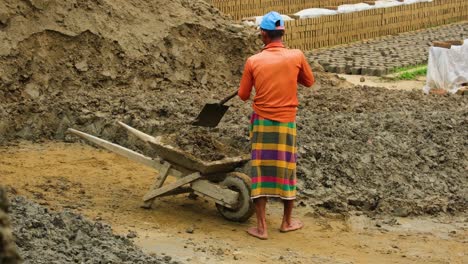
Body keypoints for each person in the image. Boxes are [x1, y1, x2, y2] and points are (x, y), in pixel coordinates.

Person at [237, 11, 315, 240]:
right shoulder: (297, 56)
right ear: (283, 33)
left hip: (261, 122)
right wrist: (292, 71)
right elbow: (309, 82)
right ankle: (287, 222)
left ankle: (261, 228)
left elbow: (242, 95)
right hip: (286, 123)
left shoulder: (253, 61)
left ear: (263, 34)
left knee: (260, 171)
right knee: (287, 170)